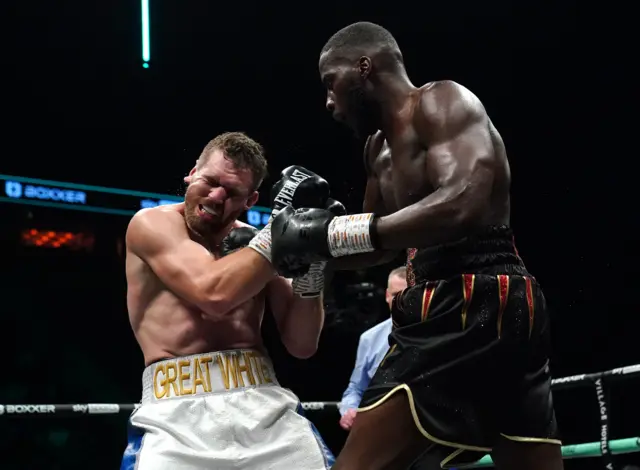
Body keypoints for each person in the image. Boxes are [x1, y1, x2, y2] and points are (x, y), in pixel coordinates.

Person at [270, 22, 563, 470]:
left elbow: (465, 199)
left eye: (332, 83)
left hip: (475, 292)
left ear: (364, 67)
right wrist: (319, 242)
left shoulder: (441, 101)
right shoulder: (376, 149)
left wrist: (339, 235)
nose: (329, 102)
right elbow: (377, 242)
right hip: (449, 301)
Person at [120, 131, 341, 470]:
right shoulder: (152, 224)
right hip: (175, 414)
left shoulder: (261, 244)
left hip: (264, 406)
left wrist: (314, 260)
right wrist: (278, 233)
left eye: (233, 192)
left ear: (250, 200)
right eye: (210, 181)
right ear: (192, 172)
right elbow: (213, 295)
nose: (216, 196)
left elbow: (302, 343)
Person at [339, 266, 406, 431]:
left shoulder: (435, 334)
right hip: (379, 428)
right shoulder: (370, 339)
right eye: (396, 295)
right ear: (387, 296)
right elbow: (355, 389)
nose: (402, 302)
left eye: (409, 295)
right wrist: (349, 411)